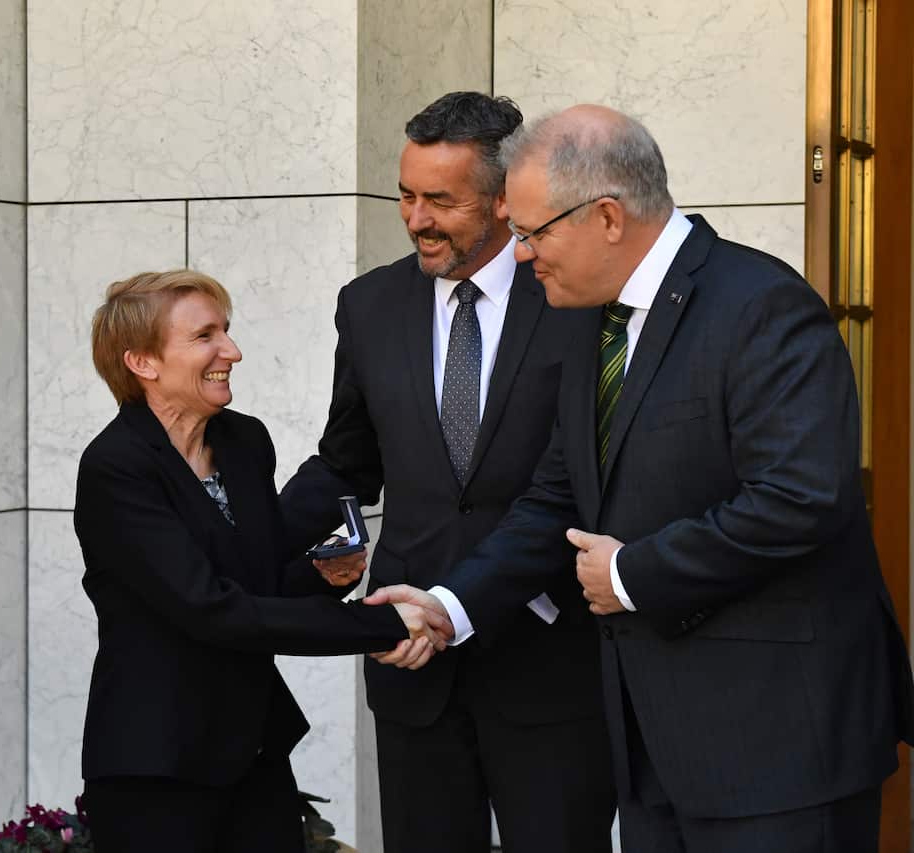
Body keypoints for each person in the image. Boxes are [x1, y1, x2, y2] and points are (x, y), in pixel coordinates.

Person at [368, 104, 914, 851]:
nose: (521, 257)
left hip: (779, 748)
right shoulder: (590, 320)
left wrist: (631, 573)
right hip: (652, 754)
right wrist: (448, 605)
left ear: (608, 218)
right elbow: (558, 496)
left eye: (532, 234)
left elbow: (799, 499)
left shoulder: (763, 305)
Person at [279, 91, 614, 853]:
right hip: (411, 659)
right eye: (406, 194)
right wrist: (247, 542)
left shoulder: (575, 297)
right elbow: (347, 460)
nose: (416, 218)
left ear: (504, 202)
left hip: (550, 659)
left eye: (441, 200)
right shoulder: (368, 305)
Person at [73, 269, 449, 853]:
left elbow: (258, 582)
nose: (233, 351)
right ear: (143, 363)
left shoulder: (244, 441)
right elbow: (211, 609)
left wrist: (321, 579)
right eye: (205, 337)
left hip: (253, 753)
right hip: (158, 765)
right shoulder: (116, 469)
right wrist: (380, 623)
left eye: (226, 330)